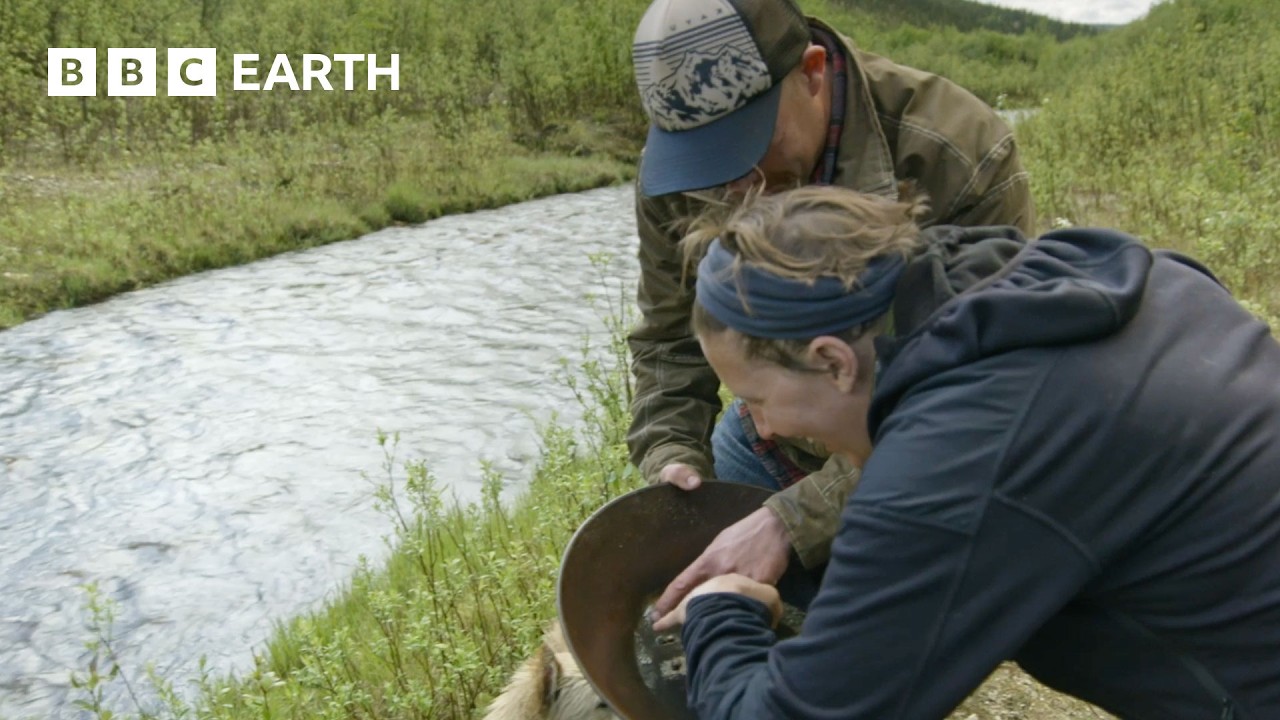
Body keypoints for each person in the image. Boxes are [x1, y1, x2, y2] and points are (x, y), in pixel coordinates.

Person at [650, 184, 1280, 718]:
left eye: (756, 397)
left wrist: (721, 613)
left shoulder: (958, 457)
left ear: (833, 361)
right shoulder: (1079, 282)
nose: (759, 428)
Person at [627, 0, 1036, 617]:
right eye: (706, 158)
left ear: (812, 73)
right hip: (781, 429)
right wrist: (671, 454)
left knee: (898, 617)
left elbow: (983, 405)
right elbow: (668, 338)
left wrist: (795, 520)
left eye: (745, 142)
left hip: (920, 439)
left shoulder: (954, 151)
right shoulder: (686, 169)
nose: (733, 184)